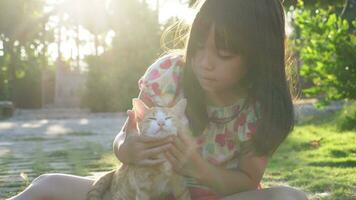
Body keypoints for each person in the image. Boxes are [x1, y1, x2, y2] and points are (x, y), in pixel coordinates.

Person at [9, 0, 308, 199]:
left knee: (290, 197)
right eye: (199, 48)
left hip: (211, 195)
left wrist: (196, 168)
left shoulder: (261, 108)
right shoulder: (169, 74)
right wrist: (126, 149)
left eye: (224, 54)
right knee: (47, 185)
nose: (205, 62)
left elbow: (247, 180)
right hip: (139, 190)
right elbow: (125, 136)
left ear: (259, 56)